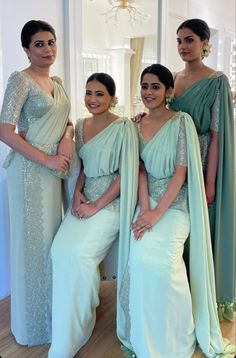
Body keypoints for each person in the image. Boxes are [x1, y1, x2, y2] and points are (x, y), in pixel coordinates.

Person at [117, 64, 236, 358]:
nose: (148, 92)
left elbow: (180, 174)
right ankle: (146, 337)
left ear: (169, 91)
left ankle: (178, 335)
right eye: (144, 86)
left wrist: (157, 214)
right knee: (140, 256)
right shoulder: (134, 125)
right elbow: (141, 172)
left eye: (156, 86)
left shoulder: (182, 122)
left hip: (176, 204)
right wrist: (145, 210)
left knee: (162, 261)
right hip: (146, 203)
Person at [48, 72, 138, 358]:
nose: (92, 99)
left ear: (112, 98)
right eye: (88, 93)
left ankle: (80, 324)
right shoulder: (83, 125)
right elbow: (85, 166)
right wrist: (77, 195)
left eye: (100, 94)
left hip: (110, 204)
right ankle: (75, 315)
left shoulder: (124, 127)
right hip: (84, 199)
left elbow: (126, 175)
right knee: (59, 251)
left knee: (78, 256)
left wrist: (96, 205)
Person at [0, 20, 73, 346]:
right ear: (27, 49)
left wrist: (67, 138)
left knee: (50, 247)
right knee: (32, 249)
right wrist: (45, 159)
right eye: (39, 44)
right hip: (30, 174)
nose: (48, 49)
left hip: (54, 171)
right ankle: (32, 327)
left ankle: (52, 318)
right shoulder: (20, 80)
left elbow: (67, 122)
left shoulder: (57, 82)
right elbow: (5, 131)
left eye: (51, 42)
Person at [171, 18, 235, 320]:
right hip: (174, 163)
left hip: (202, 160)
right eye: (180, 40)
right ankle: (179, 296)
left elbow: (219, 134)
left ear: (205, 43)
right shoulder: (174, 78)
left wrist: (211, 182)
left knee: (201, 227)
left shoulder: (217, 81)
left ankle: (203, 298)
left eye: (190, 40)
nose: (184, 46)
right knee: (178, 228)